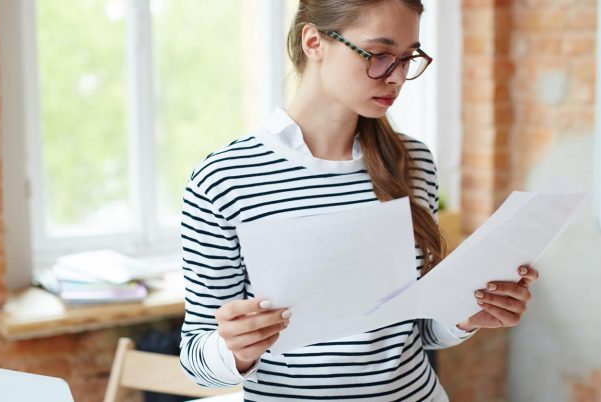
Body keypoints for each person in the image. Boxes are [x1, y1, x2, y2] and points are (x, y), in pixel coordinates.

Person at [179, 0, 539, 400]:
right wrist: (234, 349)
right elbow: (196, 361)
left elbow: (417, 330)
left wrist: (466, 315)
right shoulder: (225, 178)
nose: (398, 77)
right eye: (380, 55)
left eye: (408, 58)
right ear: (314, 42)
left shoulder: (412, 162)